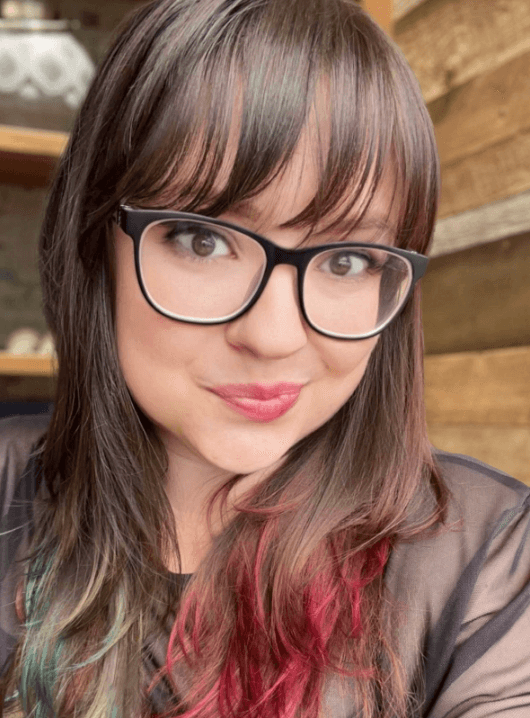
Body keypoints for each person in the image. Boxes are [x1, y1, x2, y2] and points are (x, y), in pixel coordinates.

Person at [1, 0, 530, 716]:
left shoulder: (487, 561)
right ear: (97, 243)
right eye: (203, 240)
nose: (274, 335)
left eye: (348, 259)